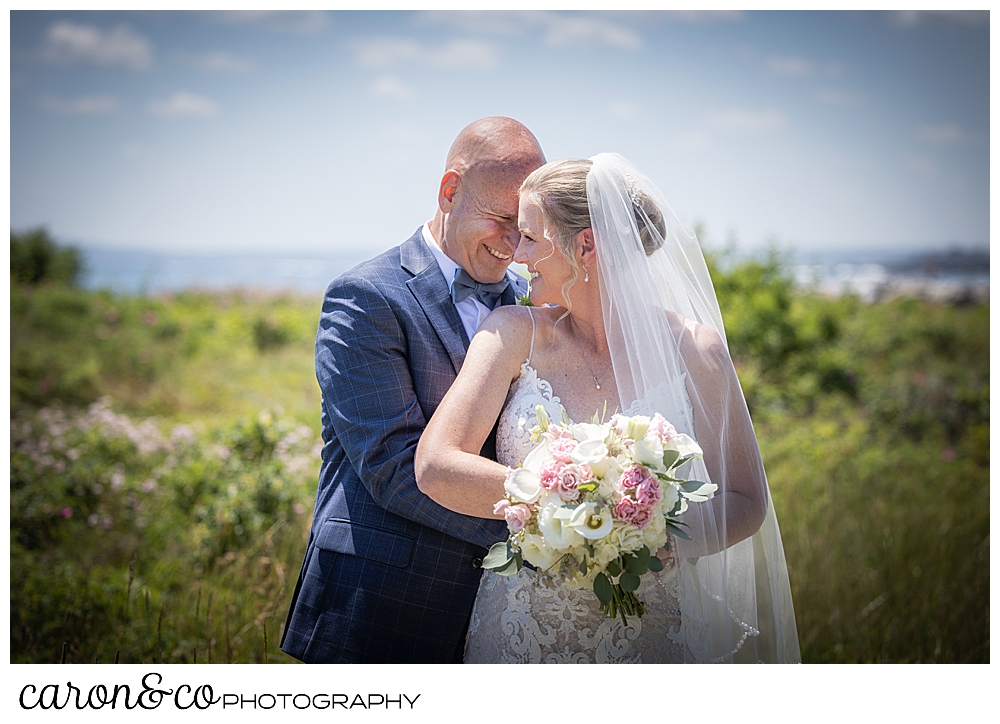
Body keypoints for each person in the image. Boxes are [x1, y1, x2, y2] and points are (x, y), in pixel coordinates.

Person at [415, 154, 800, 663]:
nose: (516, 256)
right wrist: (560, 503)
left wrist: (655, 538)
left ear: (586, 245)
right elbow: (436, 464)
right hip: (524, 634)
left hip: (657, 632)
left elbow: (746, 500)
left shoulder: (697, 353)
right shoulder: (510, 334)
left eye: (530, 238)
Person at [280, 117, 546, 663]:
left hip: (502, 617)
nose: (515, 247)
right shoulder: (366, 298)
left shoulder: (533, 306)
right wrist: (547, 537)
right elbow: (394, 468)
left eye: (527, 229)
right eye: (501, 220)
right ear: (450, 191)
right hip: (382, 604)